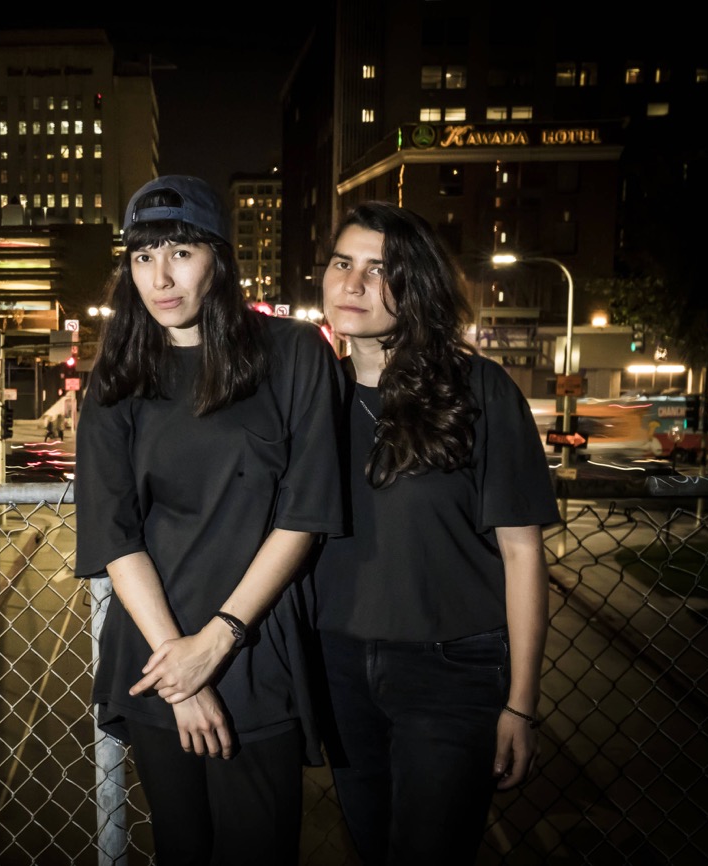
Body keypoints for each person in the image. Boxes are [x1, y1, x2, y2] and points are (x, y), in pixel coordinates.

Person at [74, 175, 346, 864]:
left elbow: (305, 515)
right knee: (182, 848)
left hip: (255, 651)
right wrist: (179, 670)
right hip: (154, 654)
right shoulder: (117, 374)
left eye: (180, 252)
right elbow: (114, 534)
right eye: (142, 256)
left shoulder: (294, 353)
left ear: (219, 259)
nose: (160, 277)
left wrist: (216, 643)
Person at [309, 201, 560, 865]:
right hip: (337, 666)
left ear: (417, 285)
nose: (353, 284)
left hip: (450, 670)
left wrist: (521, 705)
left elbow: (522, 553)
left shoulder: (479, 390)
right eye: (342, 263)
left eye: (379, 269)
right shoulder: (312, 396)